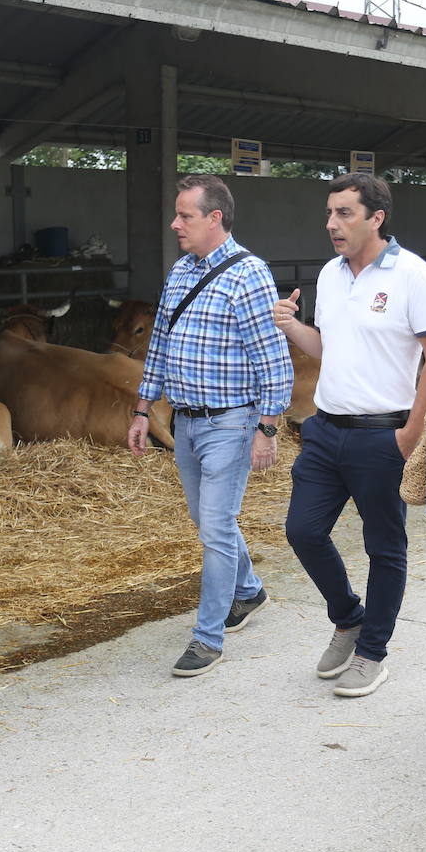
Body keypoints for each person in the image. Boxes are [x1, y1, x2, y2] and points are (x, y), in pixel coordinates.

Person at [273, 173, 426, 698]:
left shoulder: (413, 275)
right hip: (325, 431)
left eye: (345, 213)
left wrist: (412, 432)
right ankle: (348, 617)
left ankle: (373, 651)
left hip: (383, 434)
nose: (332, 224)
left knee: (385, 548)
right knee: (302, 531)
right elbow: (329, 348)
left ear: (377, 218)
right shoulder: (330, 274)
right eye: (329, 213)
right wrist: (289, 325)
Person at [129, 174, 294, 678]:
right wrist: (142, 409)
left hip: (230, 421)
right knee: (207, 521)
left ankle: (208, 636)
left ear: (215, 218)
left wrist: (267, 428)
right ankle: (248, 591)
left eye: (186, 216)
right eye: (177, 215)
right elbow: (159, 344)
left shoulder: (249, 275)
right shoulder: (180, 271)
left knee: (216, 527)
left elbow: (274, 360)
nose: (175, 224)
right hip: (186, 421)